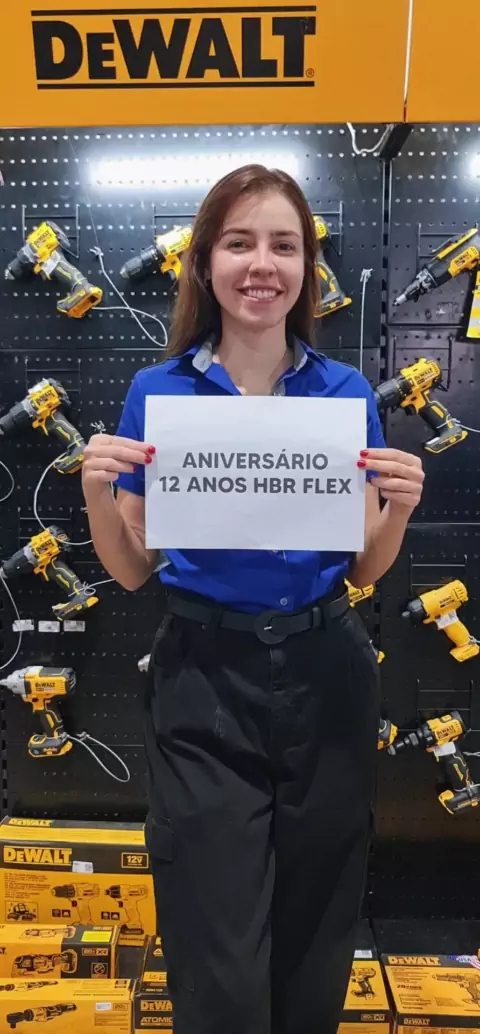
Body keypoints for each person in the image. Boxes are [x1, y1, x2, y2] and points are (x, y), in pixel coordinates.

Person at [81, 164, 424, 1034]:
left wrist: (398, 510)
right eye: (239, 243)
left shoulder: (344, 393)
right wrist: (96, 495)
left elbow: (364, 571)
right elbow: (132, 570)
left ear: (308, 267)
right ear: (204, 263)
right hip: (204, 678)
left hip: (327, 672)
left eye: (284, 245)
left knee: (317, 930)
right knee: (216, 949)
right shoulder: (159, 392)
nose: (262, 264)